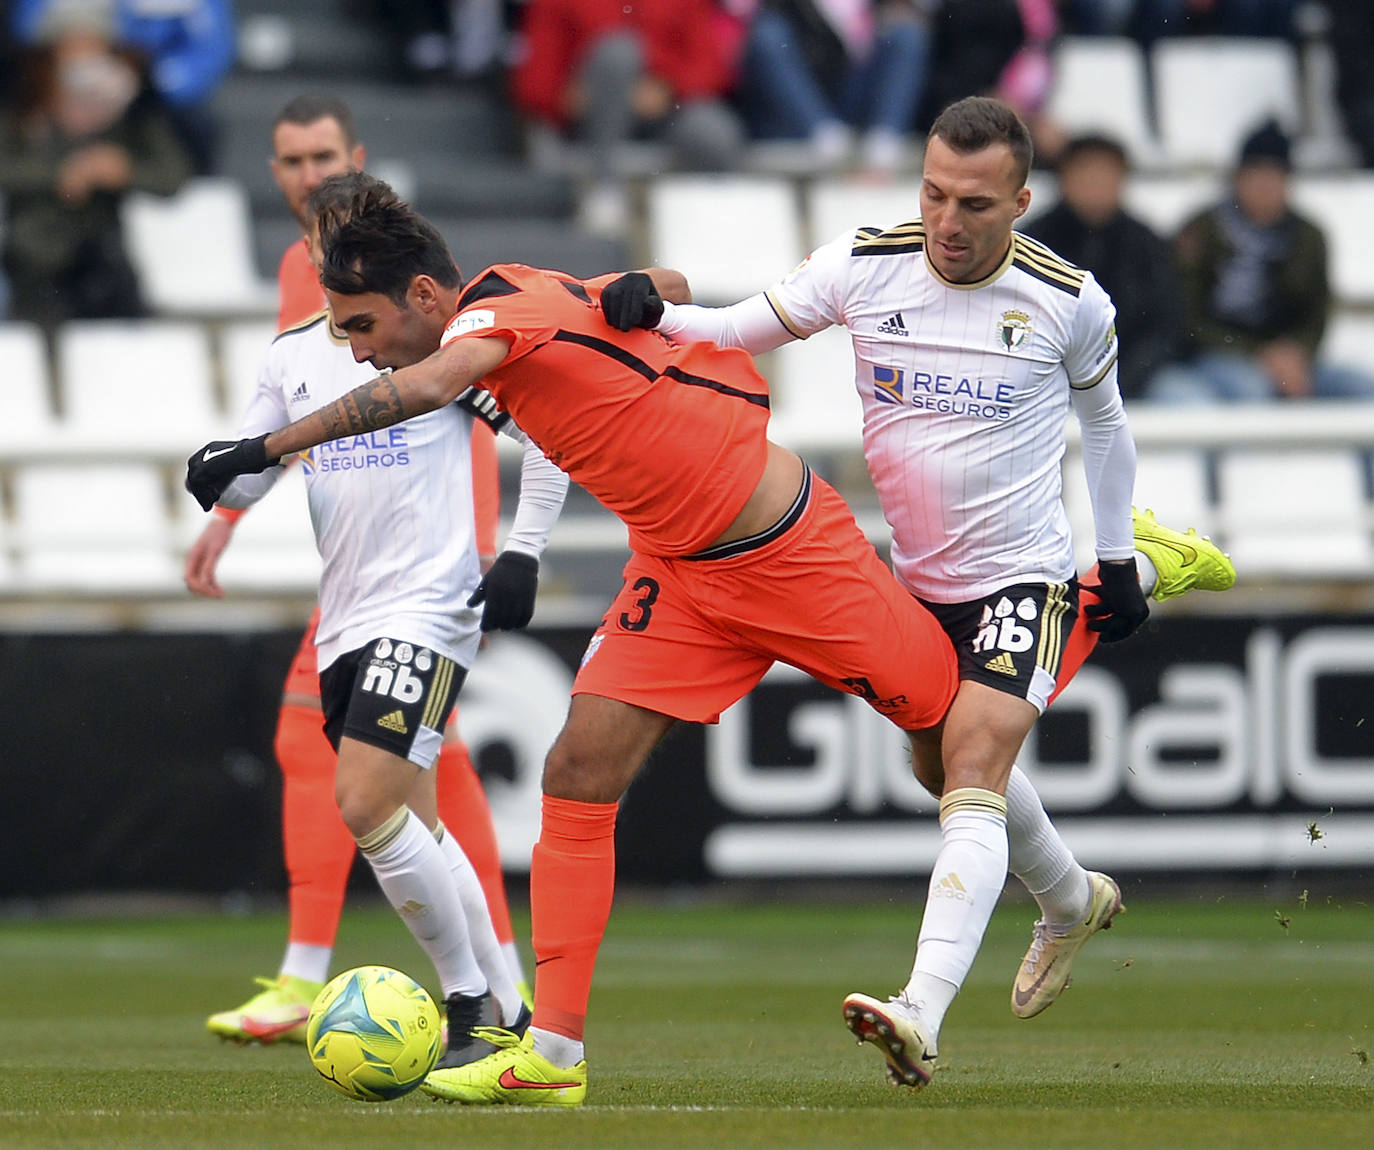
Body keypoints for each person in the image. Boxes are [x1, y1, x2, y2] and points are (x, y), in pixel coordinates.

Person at [184, 174, 974, 1105]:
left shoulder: (481, 327)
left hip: (785, 546)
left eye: (363, 328)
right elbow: (656, 287)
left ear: (426, 299)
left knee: (953, 737)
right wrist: (650, 285)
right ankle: (545, 1053)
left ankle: (1057, 881)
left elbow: (430, 383)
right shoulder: (510, 292)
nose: (358, 352)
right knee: (574, 773)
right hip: (676, 570)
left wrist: (266, 450)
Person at [597, 95, 1236, 1088]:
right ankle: (1070, 898)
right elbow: (737, 326)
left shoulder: (1069, 299)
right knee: (936, 770)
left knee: (973, 761)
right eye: (935, 193)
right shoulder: (866, 261)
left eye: (975, 203)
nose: (948, 220)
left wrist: (1109, 558)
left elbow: (1109, 429)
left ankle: (918, 1011)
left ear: (1021, 201)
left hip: (1022, 573)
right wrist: (655, 312)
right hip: (920, 582)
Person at [190, 171, 571, 1071]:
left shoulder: (427, 344)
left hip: (431, 606)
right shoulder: (292, 357)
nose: (330, 251)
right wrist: (217, 479)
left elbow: (546, 438)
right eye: (322, 235)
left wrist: (522, 552)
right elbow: (252, 472)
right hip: (345, 618)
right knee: (418, 829)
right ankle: (512, 1008)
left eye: (346, 235)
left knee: (362, 800)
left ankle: (468, 1002)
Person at [1148, 118, 1374, 403]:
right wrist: (1257, 353)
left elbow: (1316, 312)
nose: (1266, 185)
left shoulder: (1308, 235)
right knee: (1251, 391)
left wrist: (1294, 354)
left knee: (1362, 389)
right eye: (1257, 174)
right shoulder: (1201, 230)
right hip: (1216, 355)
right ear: (1238, 177)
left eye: (1276, 175)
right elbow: (1185, 316)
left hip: (1292, 360)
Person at [0, 1, 192, 328]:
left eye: (94, 41)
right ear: (52, 47)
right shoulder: (22, 98)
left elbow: (173, 175)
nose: (84, 52)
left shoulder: (131, 104)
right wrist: (63, 171)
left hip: (103, 262)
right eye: (73, 41)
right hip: (34, 262)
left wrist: (123, 168)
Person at [510, 0, 745, 235]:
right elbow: (535, 79)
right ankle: (604, 192)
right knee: (618, 52)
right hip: (591, 121)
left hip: (667, 113)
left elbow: (711, 66)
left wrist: (667, 89)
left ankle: (712, 228)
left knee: (712, 130)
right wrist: (565, 97)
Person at [1023, 133, 1183, 400]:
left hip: (1139, 377)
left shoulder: (1147, 243)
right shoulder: (1033, 242)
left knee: (1187, 399)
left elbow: (1167, 325)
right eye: (1086, 175)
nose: (1096, 186)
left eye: (1106, 176)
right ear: (1064, 178)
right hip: (1051, 379)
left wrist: (1125, 375)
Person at [11, 0, 237, 174]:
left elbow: (210, 53)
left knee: (189, 132)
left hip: (146, 98)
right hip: (47, 94)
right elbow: (28, 28)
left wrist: (143, 83)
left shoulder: (141, 99)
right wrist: (56, 89)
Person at [734, 1, 937, 176]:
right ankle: (825, 135)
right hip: (798, 110)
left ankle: (885, 140)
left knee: (908, 34)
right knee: (769, 34)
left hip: (851, 99)